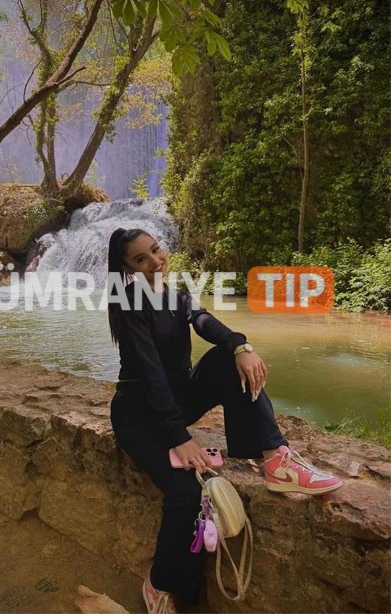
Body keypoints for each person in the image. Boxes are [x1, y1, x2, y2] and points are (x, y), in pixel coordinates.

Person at [107, 228, 342, 614]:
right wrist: (179, 436)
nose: (154, 261)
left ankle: (276, 459)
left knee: (226, 359)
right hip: (139, 414)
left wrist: (239, 344)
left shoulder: (177, 294)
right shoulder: (130, 301)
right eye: (140, 259)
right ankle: (160, 585)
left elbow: (203, 320)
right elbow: (150, 374)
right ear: (127, 267)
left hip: (174, 402)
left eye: (156, 250)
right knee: (187, 493)